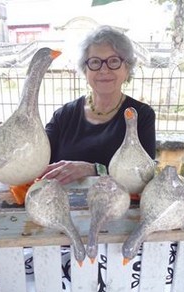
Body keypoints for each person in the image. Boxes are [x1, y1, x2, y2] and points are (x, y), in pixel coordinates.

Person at [42, 25, 155, 185]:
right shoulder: (64, 115)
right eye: (95, 62)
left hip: (119, 207)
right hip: (63, 204)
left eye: (113, 61)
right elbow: (37, 156)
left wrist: (94, 169)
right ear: (85, 69)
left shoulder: (141, 116)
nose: (104, 70)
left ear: (127, 68)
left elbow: (144, 174)